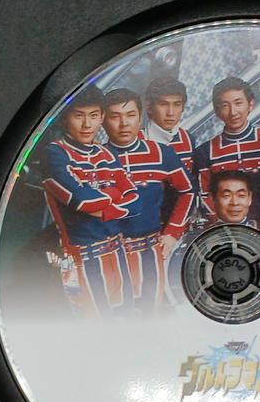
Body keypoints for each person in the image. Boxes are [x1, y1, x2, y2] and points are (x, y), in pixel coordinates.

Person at [42, 84, 138, 317]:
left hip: (118, 252)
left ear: (102, 117)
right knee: (92, 325)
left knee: (127, 321)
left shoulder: (107, 154)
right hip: (81, 258)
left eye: (94, 116)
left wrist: (103, 205)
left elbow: (136, 202)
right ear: (66, 118)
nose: (87, 124)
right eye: (79, 116)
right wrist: (114, 195)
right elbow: (82, 201)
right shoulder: (55, 153)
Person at [101, 88, 193, 310]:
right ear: (103, 120)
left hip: (150, 250)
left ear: (140, 116)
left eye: (130, 115)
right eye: (115, 116)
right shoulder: (94, 158)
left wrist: (172, 233)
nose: (124, 123)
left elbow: (188, 191)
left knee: (151, 313)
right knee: (113, 315)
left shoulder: (162, 153)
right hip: (108, 252)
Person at [191, 75, 260, 211]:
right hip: (228, 222)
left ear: (251, 104)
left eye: (238, 103)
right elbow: (205, 196)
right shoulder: (205, 152)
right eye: (225, 106)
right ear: (216, 111)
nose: (233, 112)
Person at [143, 75, 194, 173]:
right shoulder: (135, 140)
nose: (170, 113)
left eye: (177, 105)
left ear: (183, 107)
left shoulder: (187, 139)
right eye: (163, 104)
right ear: (149, 106)